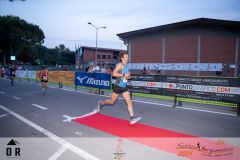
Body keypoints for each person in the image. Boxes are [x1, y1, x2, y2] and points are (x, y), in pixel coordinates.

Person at [96, 52, 141, 125]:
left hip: (124, 86)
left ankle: (132, 118)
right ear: (122, 58)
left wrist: (128, 76)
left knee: (129, 101)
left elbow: (126, 76)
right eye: (126, 57)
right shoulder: (120, 65)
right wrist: (123, 75)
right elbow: (114, 73)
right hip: (117, 86)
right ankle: (101, 103)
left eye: (128, 56)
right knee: (111, 101)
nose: (127, 58)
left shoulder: (127, 66)